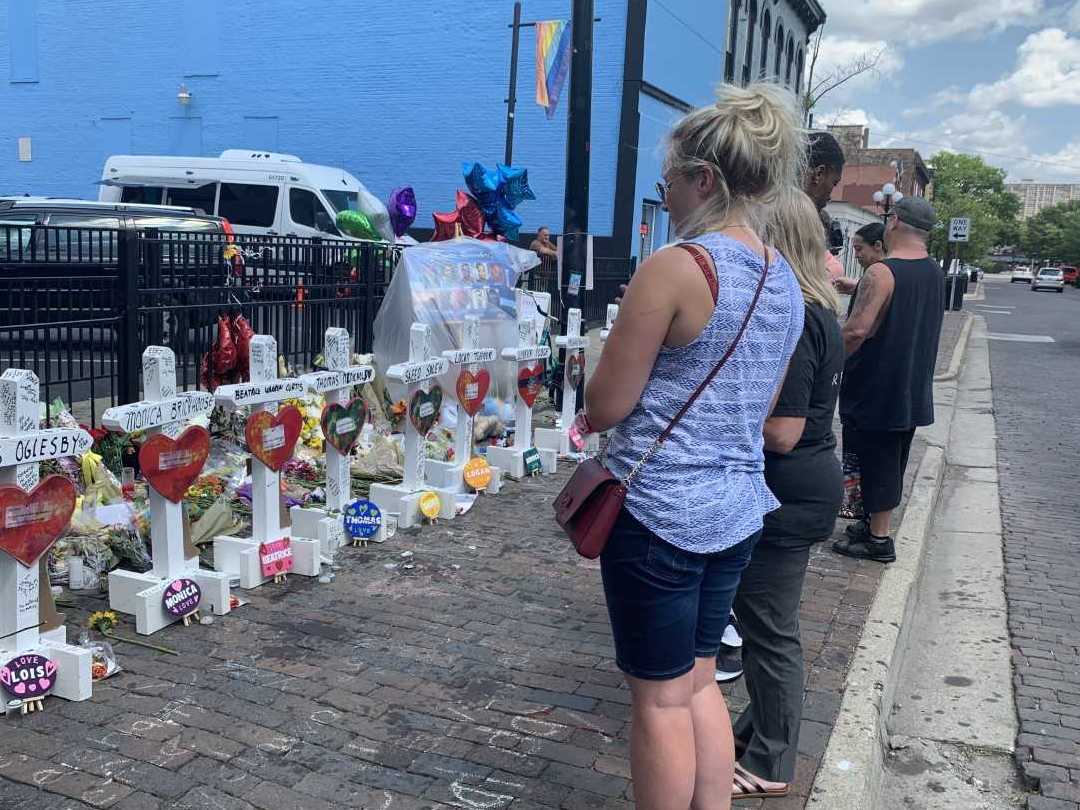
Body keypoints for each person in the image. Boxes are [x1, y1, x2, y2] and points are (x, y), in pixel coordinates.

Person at [583, 83, 806, 810]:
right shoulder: (786, 281)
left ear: (703, 179)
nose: (666, 195)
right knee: (700, 677)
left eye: (669, 181)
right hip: (738, 508)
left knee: (657, 700)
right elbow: (762, 407)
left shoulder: (678, 267)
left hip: (657, 511)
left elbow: (607, 405)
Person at [729, 189, 845, 800]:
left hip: (789, 487)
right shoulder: (819, 306)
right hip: (807, 483)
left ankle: (773, 761)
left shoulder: (797, 314)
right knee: (763, 623)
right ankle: (757, 729)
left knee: (770, 630)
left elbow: (782, 431)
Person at [833, 196, 944, 562]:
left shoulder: (881, 273)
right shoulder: (934, 272)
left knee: (875, 462)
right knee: (890, 461)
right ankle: (872, 524)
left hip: (875, 387)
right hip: (910, 387)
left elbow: (856, 331)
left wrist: (827, 363)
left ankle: (879, 539)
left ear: (893, 222)